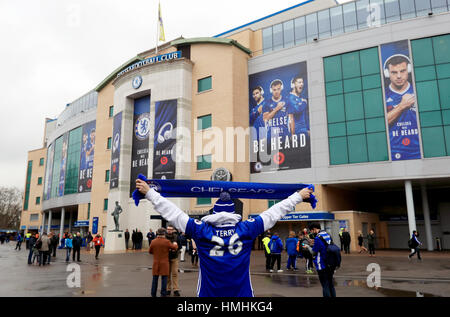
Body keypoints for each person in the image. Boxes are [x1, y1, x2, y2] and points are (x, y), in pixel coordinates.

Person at [136, 178, 314, 297]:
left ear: (214, 212)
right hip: (241, 293)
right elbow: (274, 212)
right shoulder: (246, 228)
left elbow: (173, 213)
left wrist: (150, 193)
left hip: (209, 293)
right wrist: (298, 196)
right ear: (233, 213)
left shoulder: (201, 230)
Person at [384, 54, 420, 160]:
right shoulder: (382, 95)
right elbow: (379, 125)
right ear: (387, 74)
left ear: (408, 70)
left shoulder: (418, 90)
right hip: (394, 154)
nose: (399, 76)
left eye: (402, 71)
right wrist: (401, 106)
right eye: (394, 72)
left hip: (420, 151)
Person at [307, 223, 337, 297]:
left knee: (325, 285)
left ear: (314, 229)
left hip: (321, 264)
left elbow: (313, 252)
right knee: (331, 284)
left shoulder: (318, 238)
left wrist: (308, 246)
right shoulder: (327, 234)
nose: (312, 233)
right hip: (330, 263)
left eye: (311, 231)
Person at [149, 228, 178, 297]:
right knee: (164, 279)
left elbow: (150, 251)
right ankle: (163, 293)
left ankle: (153, 294)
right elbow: (174, 248)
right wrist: (175, 244)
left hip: (156, 263)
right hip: (164, 263)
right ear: (164, 234)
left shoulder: (153, 241)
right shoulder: (166, 242)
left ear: (157, 233)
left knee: (155, 279)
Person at [166, 225, 181, 296]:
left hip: (174, 258)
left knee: (175, 273)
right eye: (168, 229)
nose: (169, 230)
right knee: (167, 274)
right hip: (166, 258)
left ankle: (176, 289)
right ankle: (168, 289)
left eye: (170, 229)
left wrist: (175, 248)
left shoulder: (176, 237)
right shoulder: (164, 237)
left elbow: (180, 246)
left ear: (173, 230)